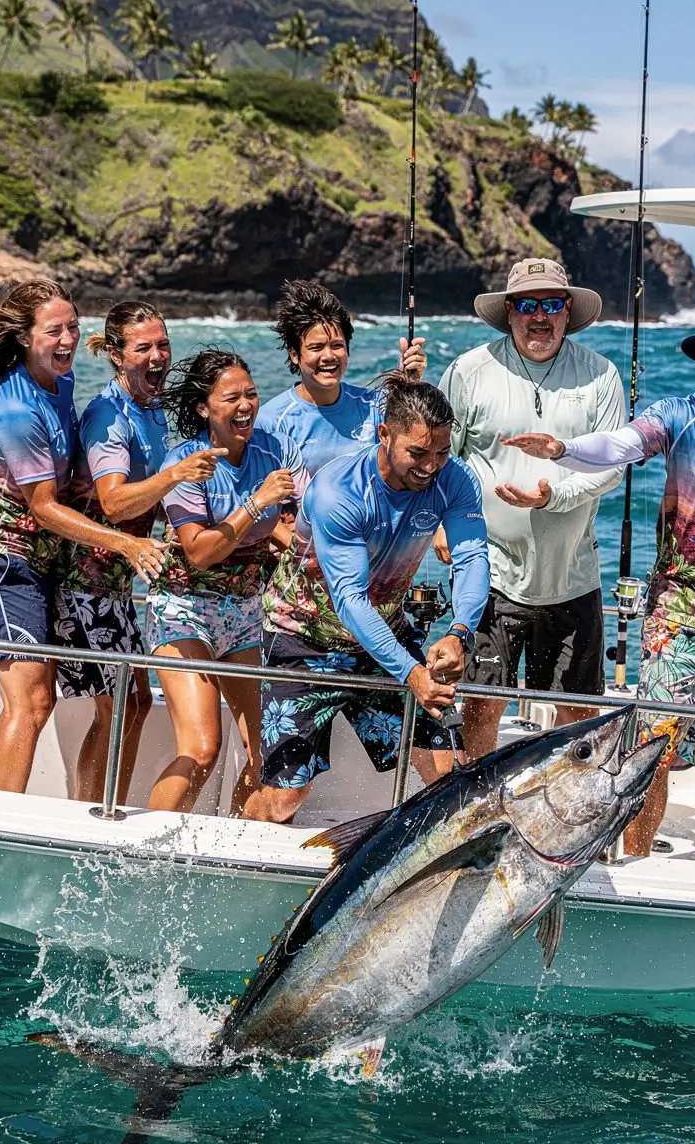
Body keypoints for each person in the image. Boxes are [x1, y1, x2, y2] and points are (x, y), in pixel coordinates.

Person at [503, 303, 695, 865]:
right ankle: (635, 864)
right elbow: (619, 445)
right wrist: (564, 450)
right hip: (681, 618)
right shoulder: (683, 414)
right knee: (651, 750)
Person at [254, 375, 490, 824]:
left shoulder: (456, 481)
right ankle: (234, 845)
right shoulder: (338, 492)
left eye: (441, 452)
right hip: (303, 639)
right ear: (385, 434)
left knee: (448, 773)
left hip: (385, 634)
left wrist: (461, 632)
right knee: (283, 801)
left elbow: (473, 556)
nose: (430, 466)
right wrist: (412, 673)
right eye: (417, 453)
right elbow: (349, 600)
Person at [0, 280, 168, 796]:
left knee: (124, 699)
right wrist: (126, 543)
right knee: (32, 701)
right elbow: (43, 506)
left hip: (45, 561)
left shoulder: (59, 384)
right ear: (23, 337)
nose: (67, 339)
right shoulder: (16, 410)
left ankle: (85, 813)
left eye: (72, 326)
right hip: (1, 560)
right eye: (53, 330)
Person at [437, 258, 625, 759]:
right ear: (509, 311)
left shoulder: (601, 376)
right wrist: (440, 525)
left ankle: (570, 821)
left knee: (578, 715)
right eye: (526, 305)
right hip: (490, 571)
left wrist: (553, 498)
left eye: (550, 305)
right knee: (481, 705)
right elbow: (439, 458)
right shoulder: (468, 372)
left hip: (573, 576)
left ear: (567, 312)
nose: (538, 317)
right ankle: (479, 814)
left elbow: (613, 465)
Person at [53, 301, 228, 804]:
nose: (158, 357)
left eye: (163, 344)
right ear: (114, 355)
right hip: (81, 585)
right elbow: (112, 499)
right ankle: (90, 815)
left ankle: (107, 805)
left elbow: (143, 500)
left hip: (115, 586)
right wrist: (174, 475)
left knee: (132, 704)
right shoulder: (109, 414)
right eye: (143, 348)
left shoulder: (149, 409)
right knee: (119, 706)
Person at [146, 349, 307, 814]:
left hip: (245, 614)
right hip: (184, 610)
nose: (246, 406)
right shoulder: (187, 462)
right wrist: (257, 504)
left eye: (252, 395)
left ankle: (236, 844)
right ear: (204, 408)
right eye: (232, 397)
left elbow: (300, 520)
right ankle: (145, 857)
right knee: (202, 749)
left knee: (270, 755)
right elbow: (198, 552)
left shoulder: (274, 450)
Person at [257, 280, 427, 475]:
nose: (329, 356)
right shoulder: (271, 421)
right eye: (316, 347)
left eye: (337, 345)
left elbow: (417, 442)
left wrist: (413, 384)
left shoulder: (375, 405)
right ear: (294, 355)